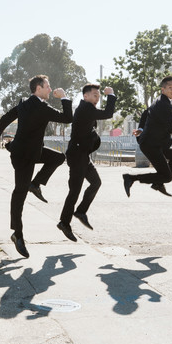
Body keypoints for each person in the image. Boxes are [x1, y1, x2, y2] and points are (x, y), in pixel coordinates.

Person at [0, 75, 73, 258]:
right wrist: (64, 97)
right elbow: (68, 118)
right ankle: (17, 234)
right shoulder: (42, 107)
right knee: (19, 193)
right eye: (48, 86)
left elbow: (7, 117)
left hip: (32, 151)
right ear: (38, 88)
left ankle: (35, 184)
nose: (50, 90)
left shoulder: (24, 103)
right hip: (23, 157)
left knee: (58, 157)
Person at [57, 84, 116, 240]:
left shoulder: (87, 109)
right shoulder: (85, 109)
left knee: (96, 182)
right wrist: (111, 95)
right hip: (77, 156)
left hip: (82, 155)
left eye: (99, 95)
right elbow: (109, 113)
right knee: (74, 191)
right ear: (85, 96)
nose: (97, 98)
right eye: (95, 95)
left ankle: (81, 211)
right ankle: (64, 222)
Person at [122, 76, 172, 198]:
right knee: (166, 176)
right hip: (151, 145)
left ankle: (158, 184)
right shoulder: (164, 105)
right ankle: (131, 178)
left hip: (158, 143)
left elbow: (146, 112)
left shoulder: (161, 101)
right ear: (163, 89)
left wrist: (141, 129)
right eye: (170, 87)